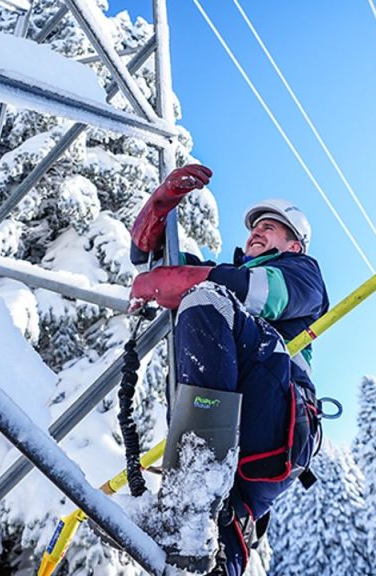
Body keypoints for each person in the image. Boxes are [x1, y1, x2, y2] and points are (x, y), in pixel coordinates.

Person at [128, 164, 329, 576]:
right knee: (214, 544)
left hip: (275, 417)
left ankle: (194, 489)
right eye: (255, 226)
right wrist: (159, 208)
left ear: (294, 245)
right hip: (233, 441)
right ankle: (210, 544)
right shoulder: (226, 278)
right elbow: (150, 265)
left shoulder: (302, 273)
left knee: (206, 299)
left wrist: (178, 282)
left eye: (271, 228)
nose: (257, 231)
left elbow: (260, 294)